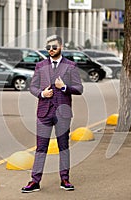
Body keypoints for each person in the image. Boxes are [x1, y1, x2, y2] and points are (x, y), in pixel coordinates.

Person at [21, 35, 83, 193]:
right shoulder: (40, 65)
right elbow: (32, 87)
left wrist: (64, 87)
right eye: (48, 47)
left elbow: (79, 88)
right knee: (41, 148)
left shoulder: (71, 65)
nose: (50, 50)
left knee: (63, 147)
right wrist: (42, 94)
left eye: (54, 47)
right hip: (44, 113)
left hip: (63, 113)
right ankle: (35, 181)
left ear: (61, 46)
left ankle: (65, 179)